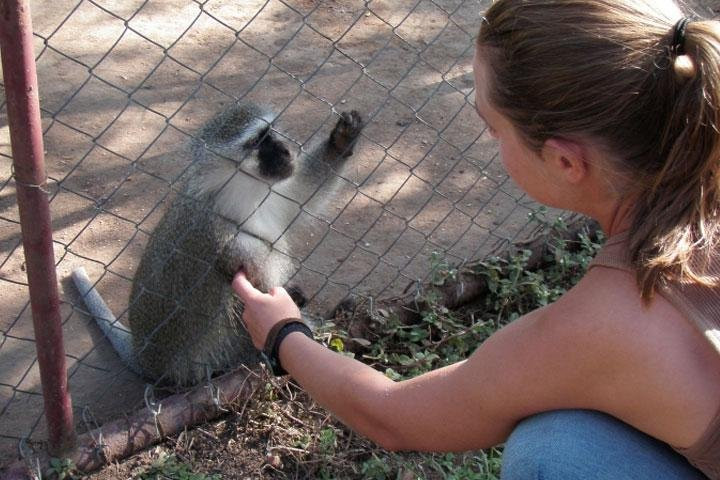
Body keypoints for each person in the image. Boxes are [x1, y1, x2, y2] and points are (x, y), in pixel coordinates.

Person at [232, 0, 720, 478]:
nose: (489, 139)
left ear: (566, 162)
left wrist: (283, 335)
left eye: (492, 127)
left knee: (553, 452)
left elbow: (393, 415)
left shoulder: (611, 322)